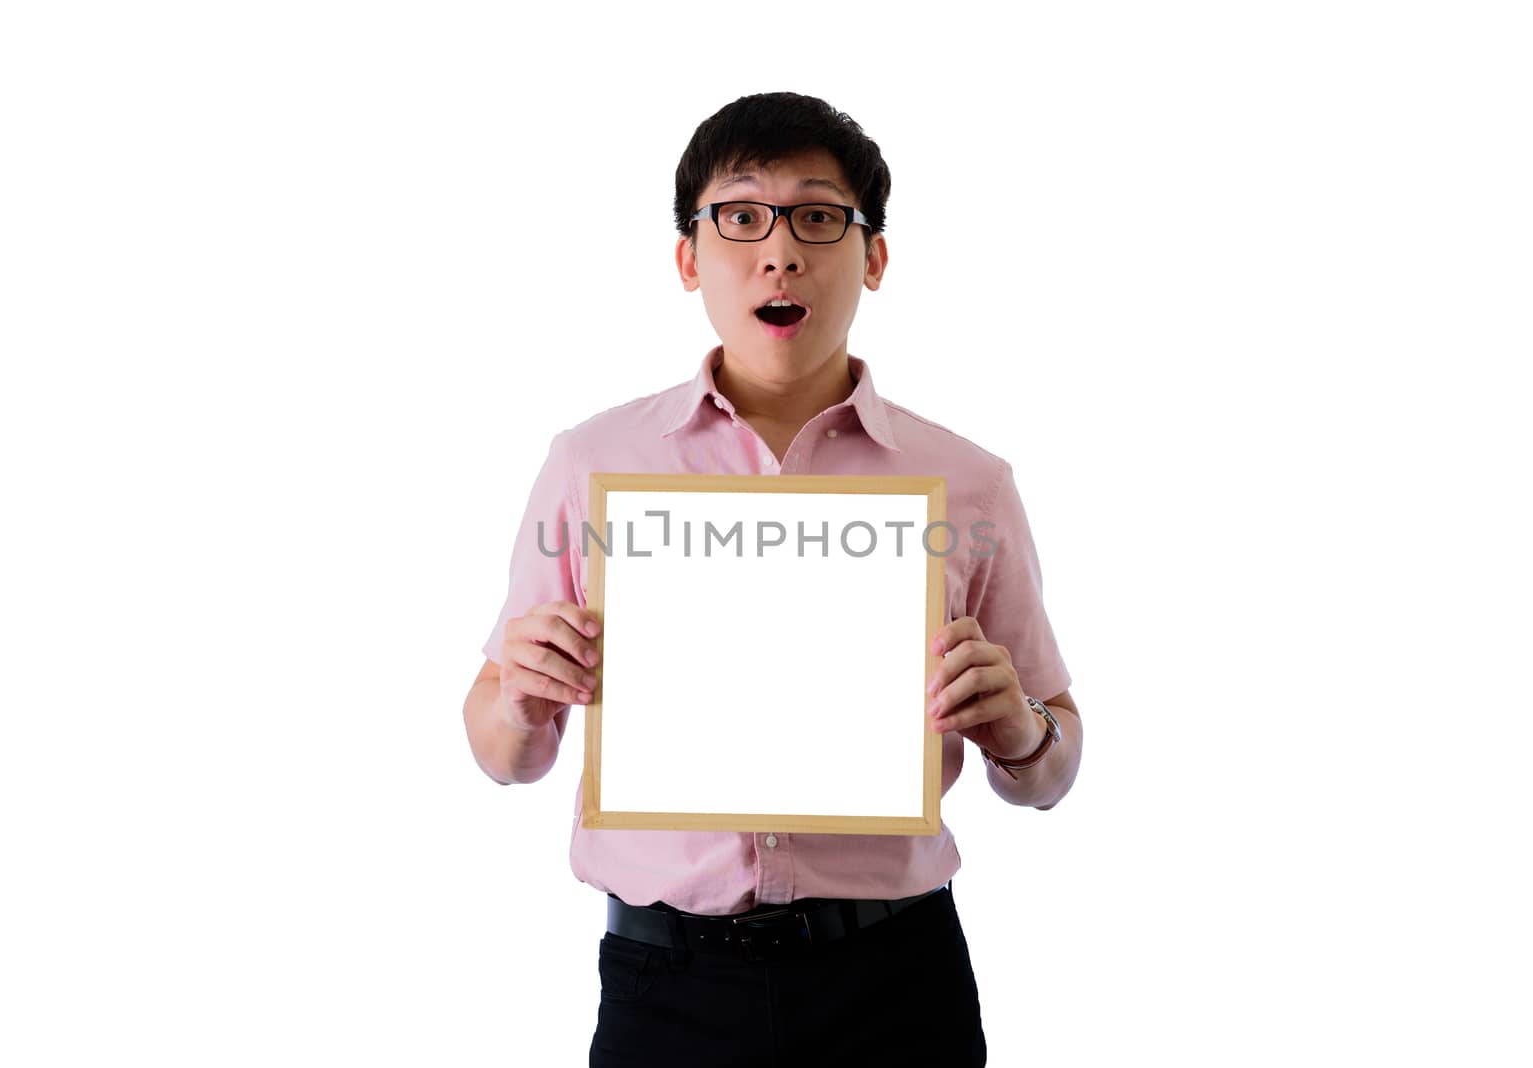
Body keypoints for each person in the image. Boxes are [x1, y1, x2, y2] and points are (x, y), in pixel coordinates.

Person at [462, 91, 1083, 1067]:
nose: (779, 251)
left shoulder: (968, 483)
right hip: (666, 986)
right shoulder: (593, 463)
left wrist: (1021, 732)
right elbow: (505, 752)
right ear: (687, 257)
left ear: (872, 256)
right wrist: (523, 697)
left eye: (818, 217)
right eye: (741, 216)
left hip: (896, 979)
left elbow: (1050, 768)